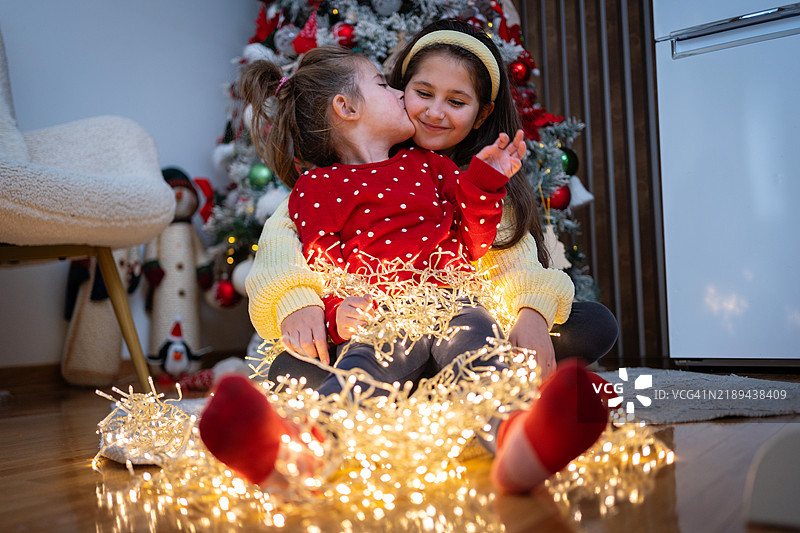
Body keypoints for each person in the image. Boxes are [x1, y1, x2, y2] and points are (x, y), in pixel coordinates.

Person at [199, 45, 608, 494]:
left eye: (456, 100)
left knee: (482, 358)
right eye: (384, 84)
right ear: (346, 107)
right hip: (383, 316)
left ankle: (517, 444)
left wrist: (485, 184)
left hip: (454, 302)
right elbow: (321, 263)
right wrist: (332, 314)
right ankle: (303, 455)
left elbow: (476, 241)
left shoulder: (432, 166)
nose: (398, 93)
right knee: (357, 377)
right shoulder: (316, 188)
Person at [246, 19, 618, 387]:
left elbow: (495, 249)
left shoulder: (445, 170)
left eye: (456, 101)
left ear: (481, 114)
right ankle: (425, 387)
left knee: (590, 324)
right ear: (402, 87)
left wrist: (532, 313)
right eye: (422, 93)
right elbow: (300, 251)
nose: (435, 112)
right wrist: (310, 306)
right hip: (381, 323)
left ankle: (452, 386)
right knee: (296, 368)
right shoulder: (323, 184)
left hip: (462, 315)